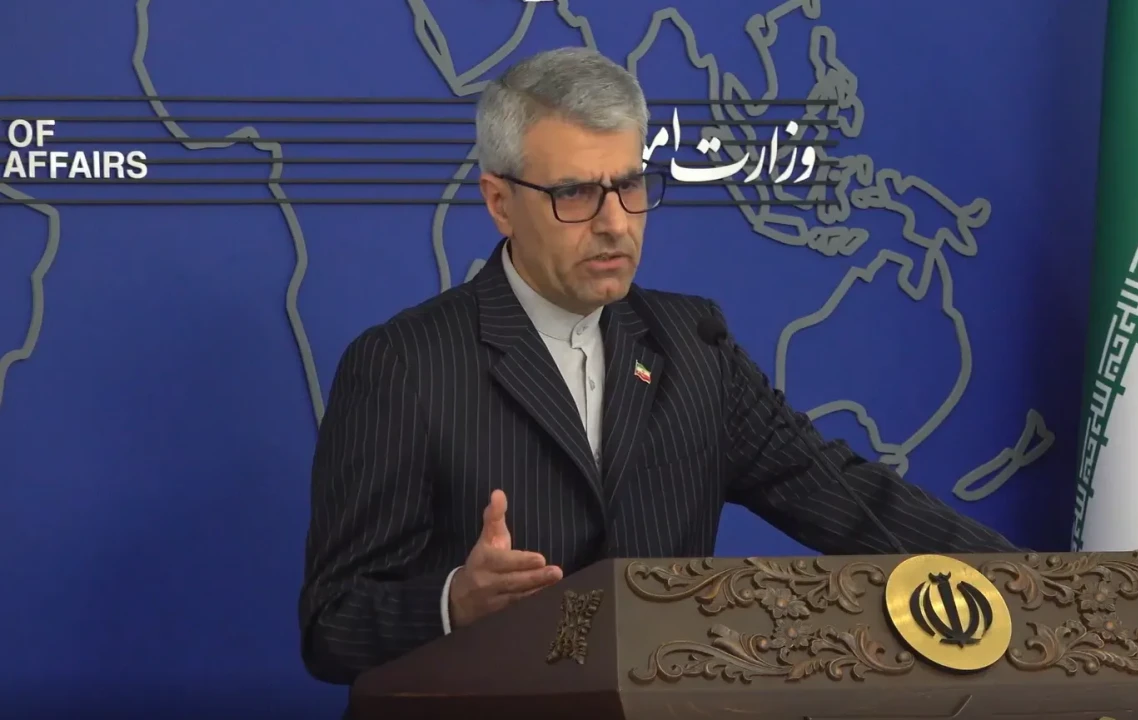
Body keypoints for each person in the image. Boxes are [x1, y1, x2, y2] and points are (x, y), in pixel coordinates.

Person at [298, 46, 1018, 686]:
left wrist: (1029, 583)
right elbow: (332, 625)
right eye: (575, 193)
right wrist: (455, 602)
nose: (615, 222)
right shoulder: (403, 365)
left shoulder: (692, 345)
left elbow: (849, 499)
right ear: (500, 203)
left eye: (631, 185)